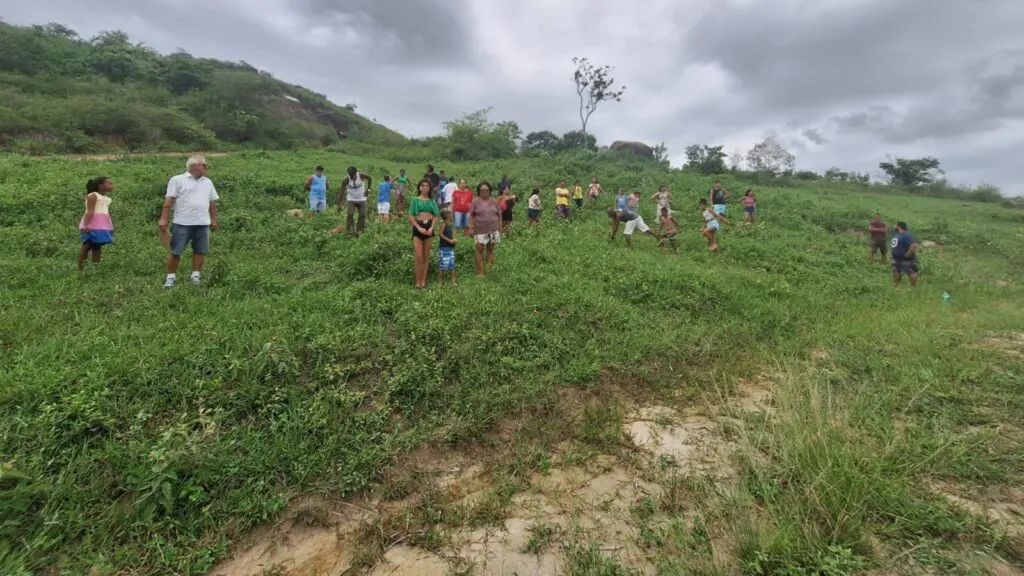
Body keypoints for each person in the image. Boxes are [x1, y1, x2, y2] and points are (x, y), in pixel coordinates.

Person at [160, 155, 219, 287]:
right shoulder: (177, 180)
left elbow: (212, 202)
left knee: (200, 250)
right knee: (176, 251)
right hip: (182, 223)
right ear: (194, 166)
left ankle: (195, 275)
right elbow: (169, 201)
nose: (206, 167)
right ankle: (170, 277)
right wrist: (164, 218)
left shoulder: (207, 182)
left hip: (202, 223)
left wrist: (213, 219)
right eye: (203, 165)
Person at [407, 179, 440, 289]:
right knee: (419, 256)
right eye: (423, 185)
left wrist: (431, 228)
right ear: (419, 187)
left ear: (429, 188)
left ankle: (423, 281)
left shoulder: (432, 201)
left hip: (428, 227)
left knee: (426, 256)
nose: (425, 187)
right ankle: (417, 282)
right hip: (418, 227)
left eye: (427, 186)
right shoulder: (415, 200)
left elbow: (436, 216)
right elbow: (410, 216)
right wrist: (418, 227)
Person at [77, 176, 114, 271]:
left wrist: (109, 225)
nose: (112, 186)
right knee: (87, 245)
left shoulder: (107, 198)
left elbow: (105, 213)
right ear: (100, 185)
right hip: (91, 224)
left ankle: (95, 268)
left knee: (98, 245)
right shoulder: (93, 196)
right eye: (109, 184)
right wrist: (86, 224)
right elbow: (90, 211)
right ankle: (80, 268)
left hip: (101, 225)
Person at [469, 181, 501, 277]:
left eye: (486, 190)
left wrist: (500, 226)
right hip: (480, 230)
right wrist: (471, 227)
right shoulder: (475, 201)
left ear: (490, 191)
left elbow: (499, 214)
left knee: (490, 249)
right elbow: (471, 215)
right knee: (479, 249)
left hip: (493, 229)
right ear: (479, 191)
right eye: (482, 190)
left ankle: (490, 270)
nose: (484, 192)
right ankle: (480, 273)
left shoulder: (494, 201)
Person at [338, 166, 372, 237]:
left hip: (361, 198)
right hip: (351, 198)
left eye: (352, 175)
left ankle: (359, 232)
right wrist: (339, 204)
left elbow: (369, 179)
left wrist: (368, 189)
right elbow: (341, 192)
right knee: (350, 214)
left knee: (362, 215)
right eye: (350, 175)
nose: (351, 176)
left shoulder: (362, 175)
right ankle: (348, 232)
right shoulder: (346, 179)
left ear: (356, 173)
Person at [891, 221, 919, 288]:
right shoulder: (896, 235)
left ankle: (913, 288)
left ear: (898, 226)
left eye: (895, 225)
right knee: (896, 271)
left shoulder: (906, 234)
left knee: (911, 272)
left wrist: (907, 255)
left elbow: (913, 245)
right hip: (897, 258)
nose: (894, 226)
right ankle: (896, 286)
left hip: (906, 259)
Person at [437, 210, 458, 287]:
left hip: (450, 248)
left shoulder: (450, 225)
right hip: (444, 248)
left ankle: (453, 281)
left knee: (451, 265)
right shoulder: (444, 224)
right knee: (442, 265)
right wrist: (450, 240)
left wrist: (454, 241)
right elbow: (440, 234)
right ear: (447, 216)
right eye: (451, 215)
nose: (452, 216)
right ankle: (440, 282)